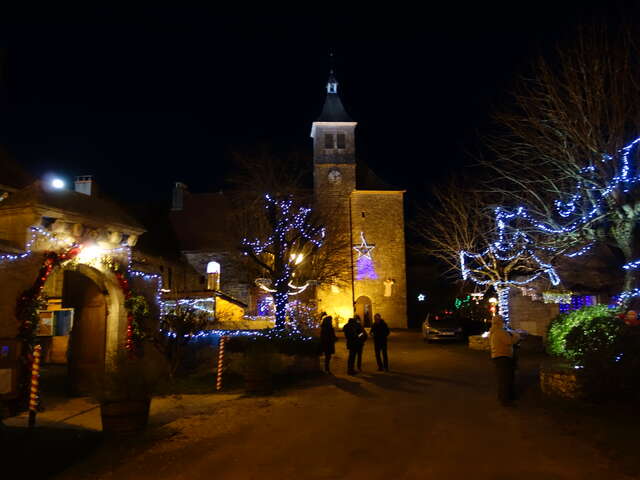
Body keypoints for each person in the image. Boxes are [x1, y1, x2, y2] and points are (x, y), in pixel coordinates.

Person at [489, 315, 521, 406]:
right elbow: (510, 341)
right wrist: (516, 335)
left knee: (502, 379)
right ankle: (506, 400)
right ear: (500, 322)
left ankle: (503, 397)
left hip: (497, 357)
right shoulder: (500, 332)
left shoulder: (493, 331)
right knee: (506, 379)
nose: (504, 323)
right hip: (504, 357)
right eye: (503, 321)